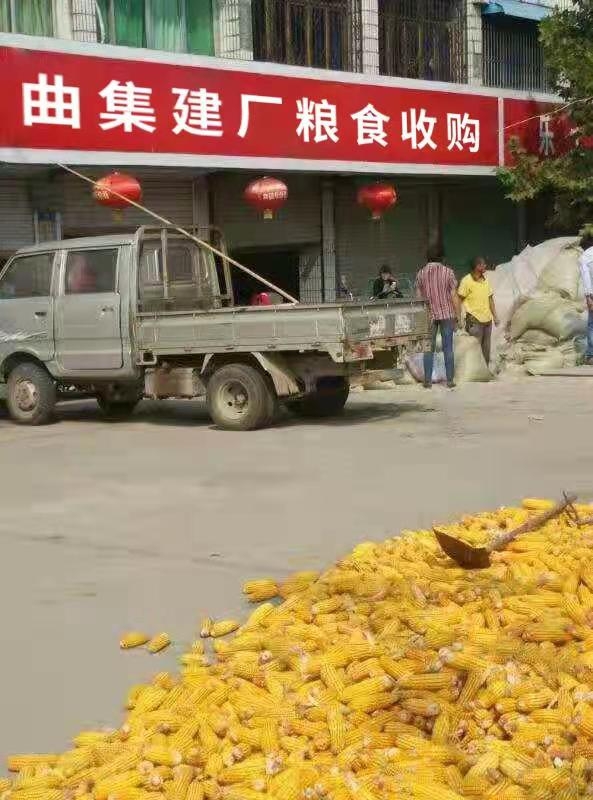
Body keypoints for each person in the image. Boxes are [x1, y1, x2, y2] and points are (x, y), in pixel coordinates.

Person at [415, 246, 460, 389]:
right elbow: (454, 295)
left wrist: (420, 317)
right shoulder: (448, 272)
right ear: (442, 258)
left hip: (429, 316)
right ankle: (450, 380)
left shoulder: (421, 274)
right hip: (447, 314)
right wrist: (458, 315)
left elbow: (418, 298)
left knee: (428, 349)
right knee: (448, 348)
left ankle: (427, 381)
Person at [458, 256, 498, 365]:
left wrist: (495, 316)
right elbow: (458, 300)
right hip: (474, 321)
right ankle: (474, 372)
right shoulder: (466, 281)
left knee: (486, 350)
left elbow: (490, 299)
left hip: (487, 321)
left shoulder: (486, 280)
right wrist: (458, 318)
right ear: (477, 267)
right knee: (475, 350)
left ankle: (484, 372)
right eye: (483, 264)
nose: (485, 266)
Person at [579, 231, 593, 365]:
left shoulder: (584, 257)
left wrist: (588, 297)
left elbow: (586, 278)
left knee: (591, 325)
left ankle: (591, 355)